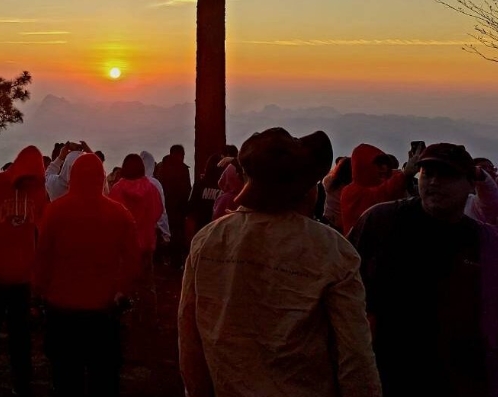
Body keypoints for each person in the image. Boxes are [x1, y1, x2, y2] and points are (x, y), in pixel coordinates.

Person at [179, 128, 381, 397]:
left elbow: (190, 343)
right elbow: (355, 358)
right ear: (306, 189)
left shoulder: (208, 240)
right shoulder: (332, 251)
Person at [349, 143, 498, 397]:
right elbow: (345, 285)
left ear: (470, 185)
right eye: (427, 174)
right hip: (383, 372)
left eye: (447, 175)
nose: (434, 182)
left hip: (456, 380)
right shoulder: (380, 221)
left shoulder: (490, 248)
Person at [33, 153, 139, 397]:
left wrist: (38, 294)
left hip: (62, 310)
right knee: (104, 376)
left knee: (65, 375)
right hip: (104, 310)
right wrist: (122, 291)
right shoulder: (120, 213)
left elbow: (43, 258)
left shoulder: (55, 211)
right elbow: (133, 261)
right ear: (102, 177)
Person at [0, 145, 49, 397]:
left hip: (22, 277)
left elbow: (44, 228)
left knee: (21, 334)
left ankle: (22, 381)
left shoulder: (38, 191)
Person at [340, 143, 418, 234]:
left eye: (386, 164)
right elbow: (380, 194)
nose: (384, 168)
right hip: (360, 246)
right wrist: (405, 175)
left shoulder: (382, 185)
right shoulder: (351, 191)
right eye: (379, 164)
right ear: (363, 165)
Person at [156, 144, 192, 266]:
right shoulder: (182, 169)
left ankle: (163, 260)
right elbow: (186, 190)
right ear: (180, 155)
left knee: (164, 233)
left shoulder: (160, 167)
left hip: (163, 207)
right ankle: (176, 262)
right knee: (177, 234)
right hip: (178, 208)